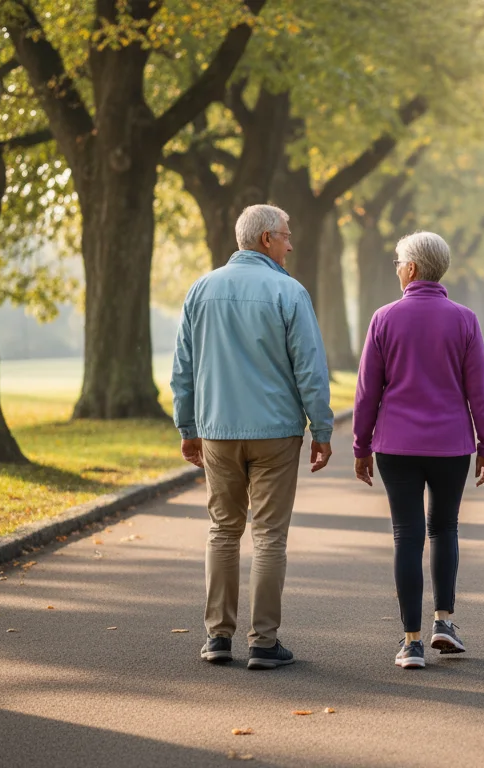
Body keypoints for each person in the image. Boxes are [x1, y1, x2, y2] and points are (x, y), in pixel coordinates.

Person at [171, 204, 334, 671]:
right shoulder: (289, 291)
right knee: (268, 536)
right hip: (276, 433)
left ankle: (217, 637)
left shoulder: (201, 290)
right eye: (286, 235)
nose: (290, 243)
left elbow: (184, 368)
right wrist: (320, 429)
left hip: (218, 430)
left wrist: (188, 427)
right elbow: (310, 368)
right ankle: (264, 642)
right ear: (266, 239)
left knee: (223, 529)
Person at [352, 231, 484, 670]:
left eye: (399, 262)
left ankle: (411, 642)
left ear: (412, 269)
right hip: (452, 445)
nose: (397, 268)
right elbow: (481, 392)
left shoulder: (384, 318)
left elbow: (366, 392)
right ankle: (444, 622)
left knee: (407, 534)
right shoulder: (465, 320)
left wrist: (360, 445)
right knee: (444, 529)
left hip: (395, 445)